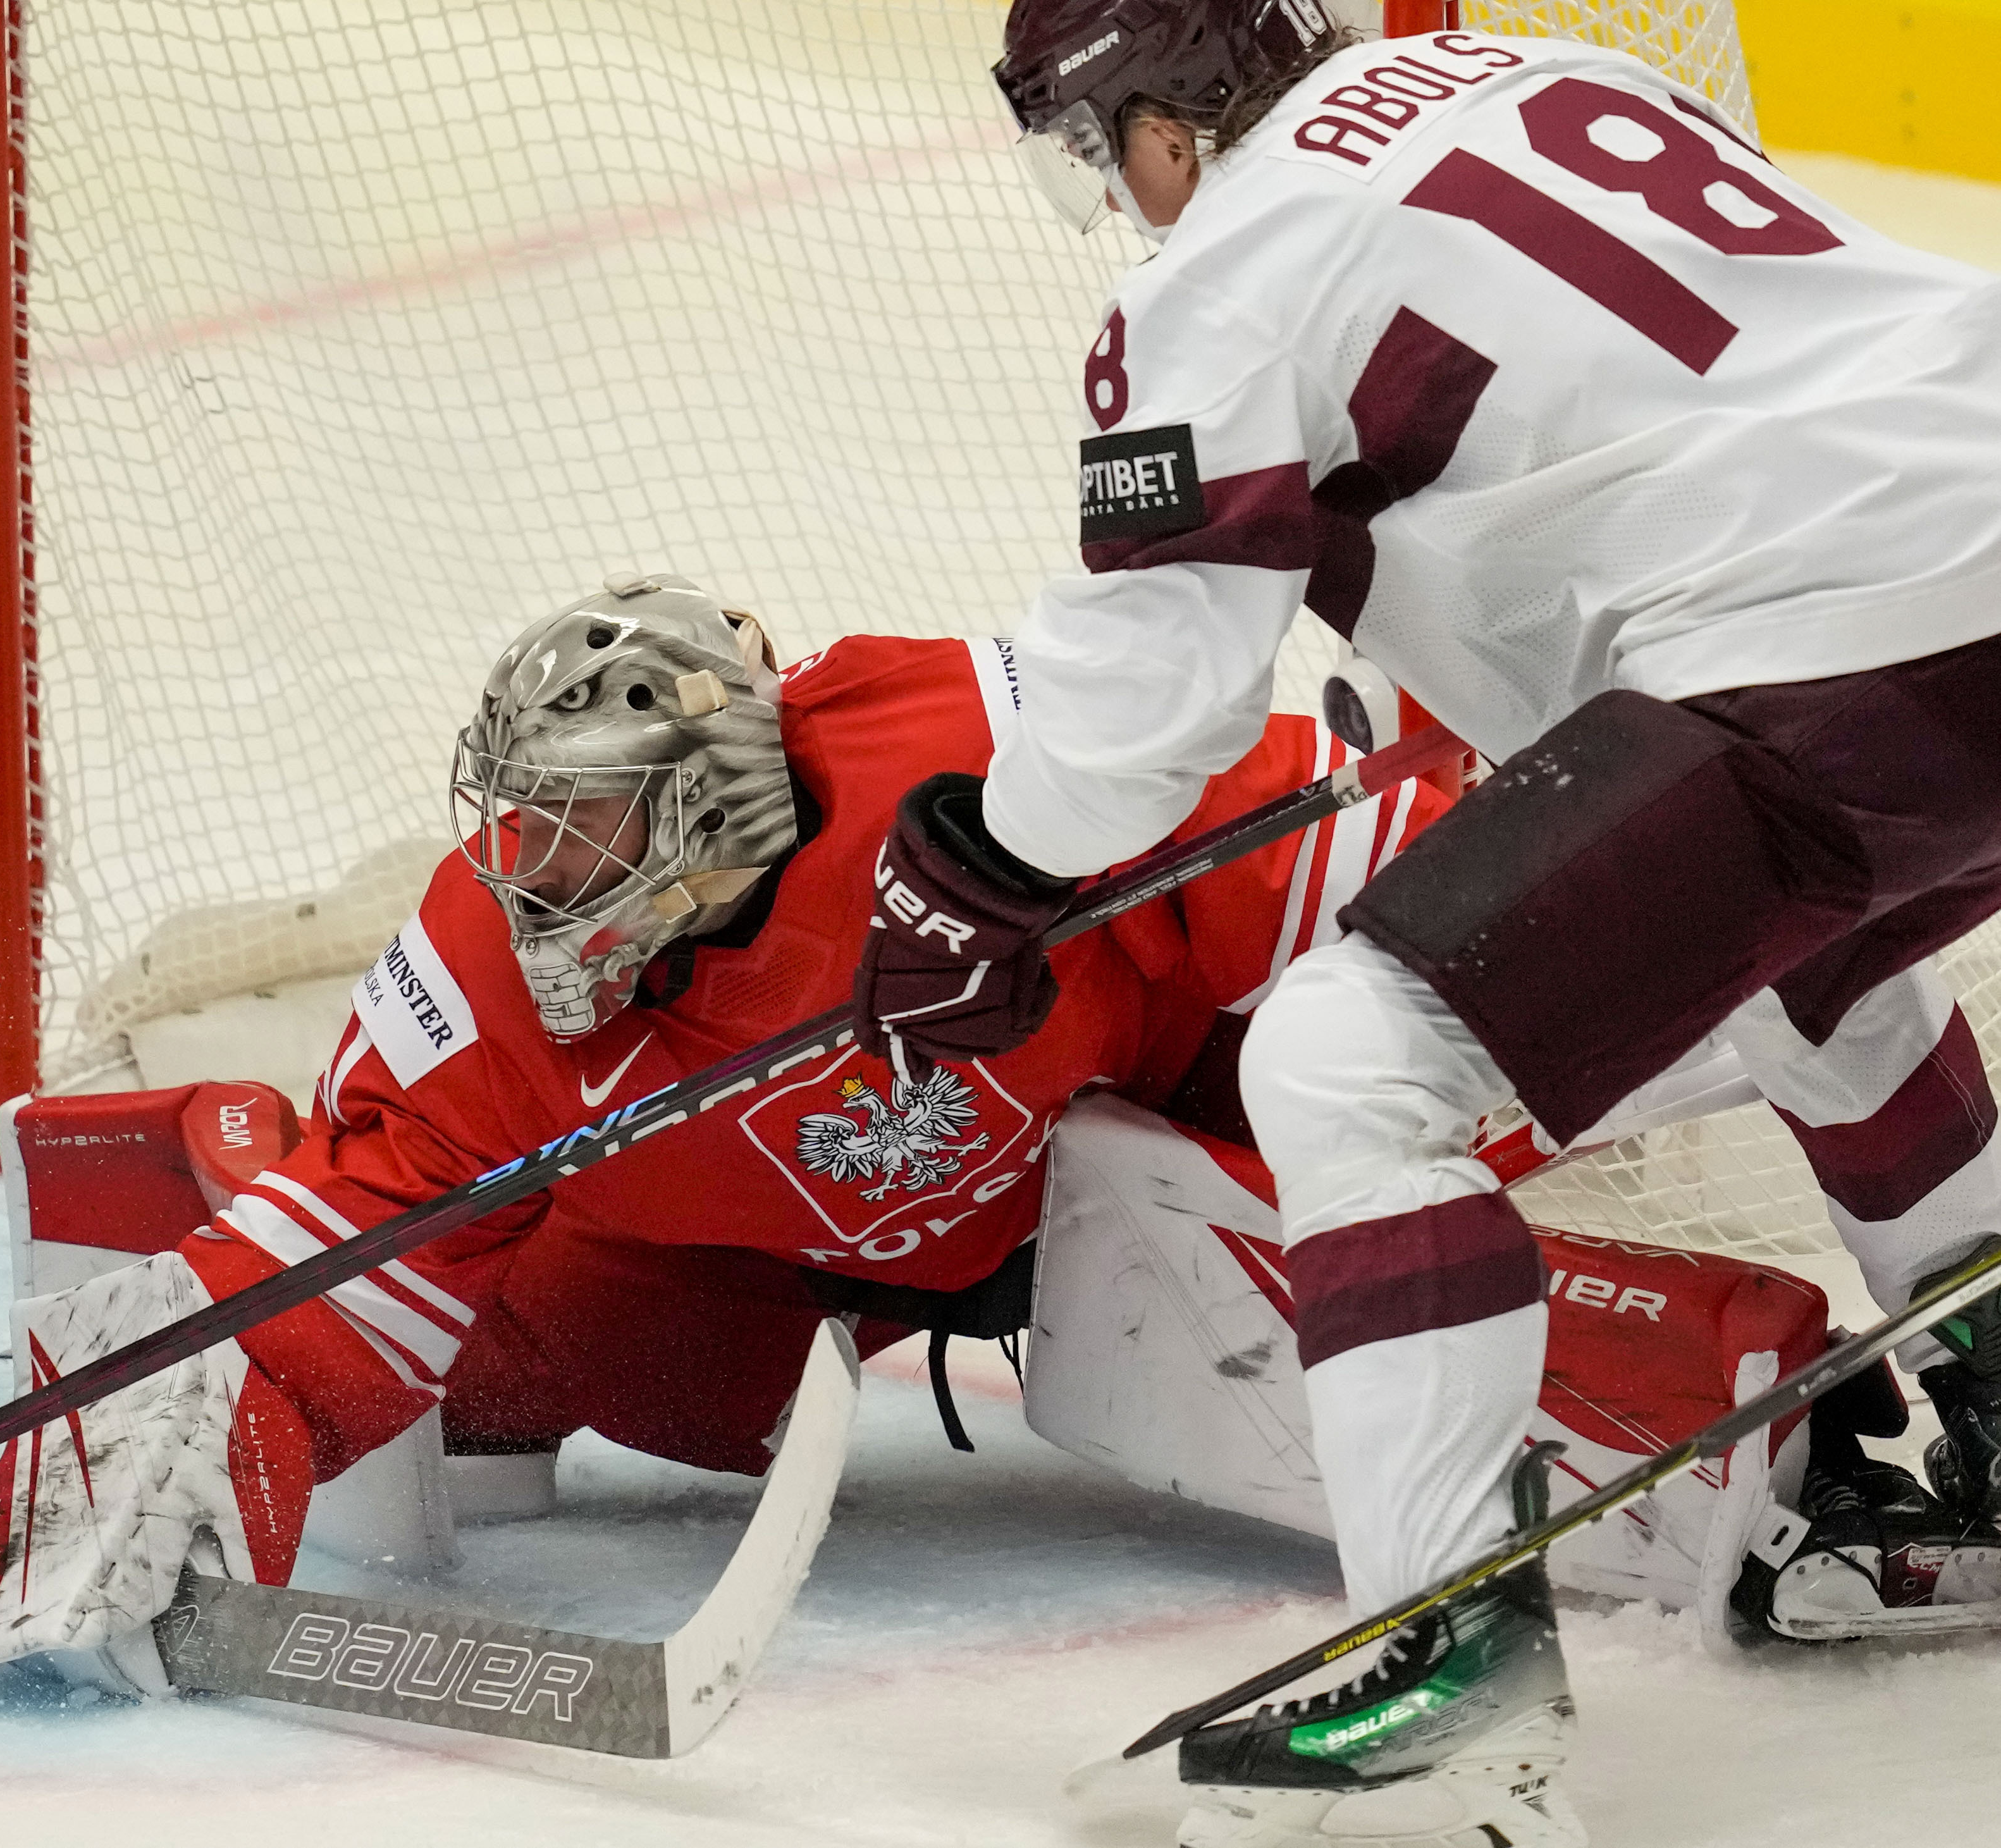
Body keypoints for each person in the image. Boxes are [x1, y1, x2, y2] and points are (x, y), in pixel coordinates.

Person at [848, 3, 2001, 1842]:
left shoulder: (1218, 274)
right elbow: (1662, 392)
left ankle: (1451, 1664)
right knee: (1798, 961)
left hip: (1820, 626)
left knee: (1345, 1057)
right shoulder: (1548, 73)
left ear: (1155, 121)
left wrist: (977, 866)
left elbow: (1151, 709)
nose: (1120, 196)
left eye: (1103, 151)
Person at [0, 572, 1458, 1684]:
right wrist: (195, 1402)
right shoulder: (478, 962)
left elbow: (1385, 864)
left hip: (1115, 1144)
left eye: (581, 822)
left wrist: (1421, 1098)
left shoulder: (975, 752)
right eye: (523, 815)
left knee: (1343, 1165)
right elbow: (359, 1219)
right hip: (774, 1263)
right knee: (484, 1360)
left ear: (718, 802)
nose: (532, 867)